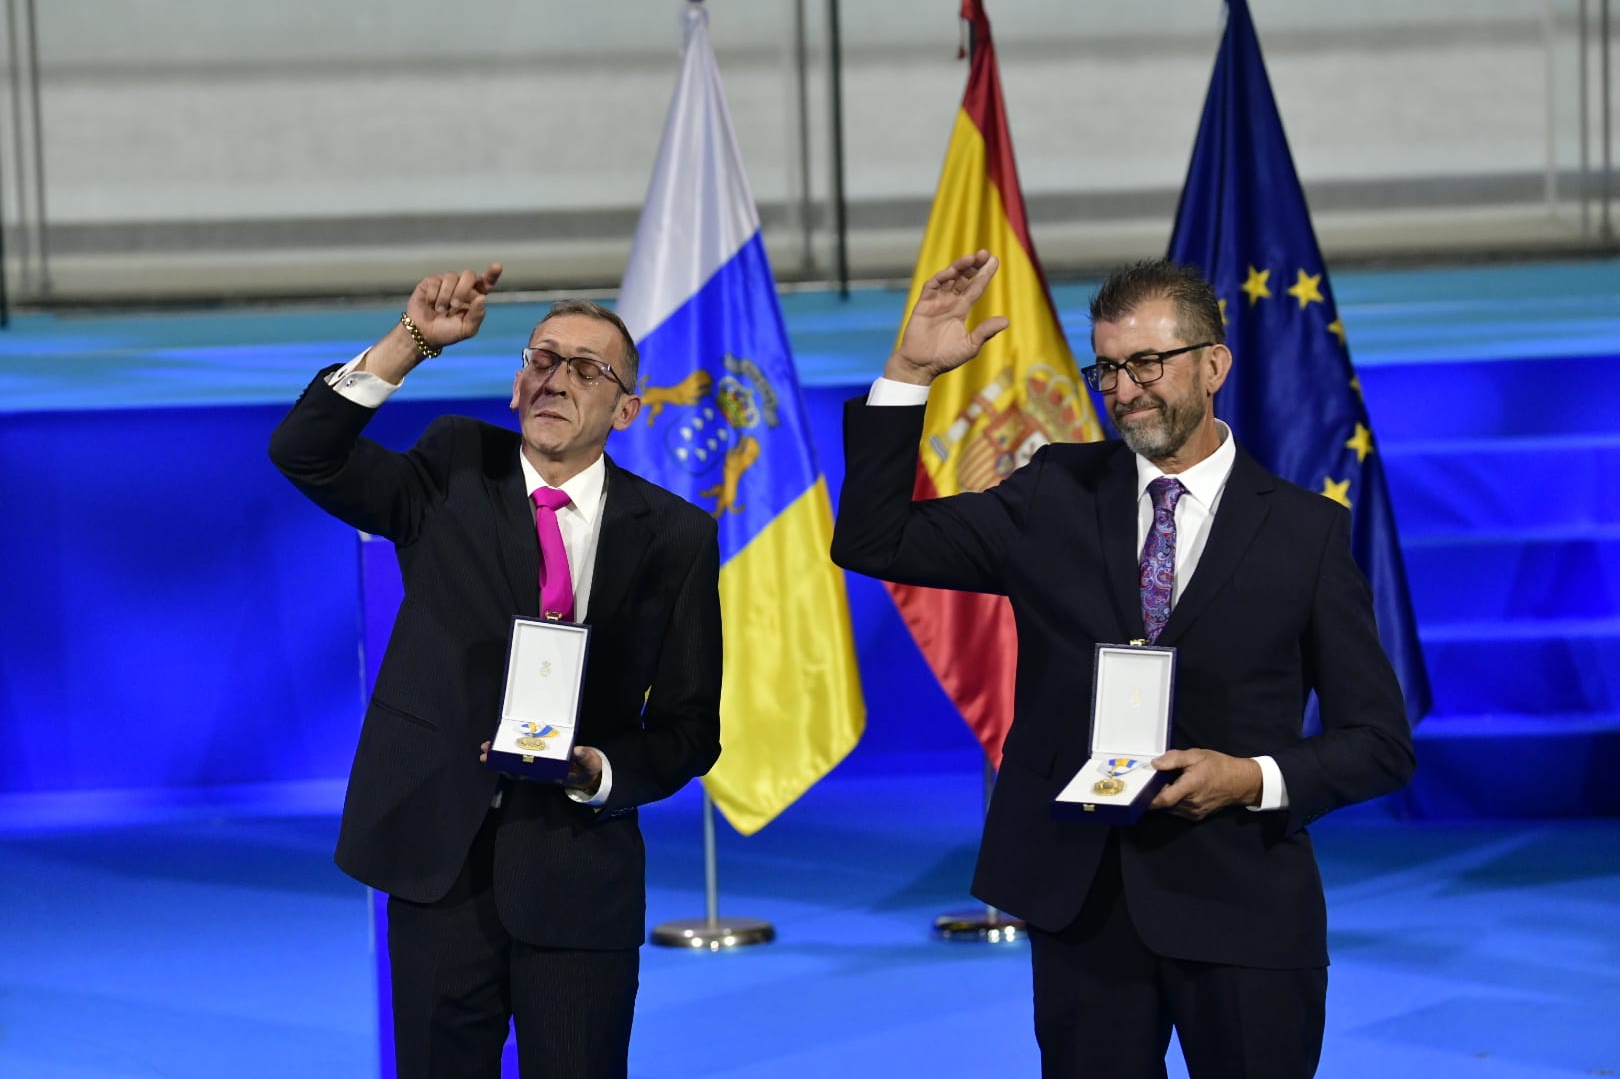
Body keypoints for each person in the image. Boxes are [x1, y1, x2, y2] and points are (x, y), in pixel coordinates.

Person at [830, 250, 1415, 1079]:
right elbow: (871, 540)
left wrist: (1250, 777)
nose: (1123, 388)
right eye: (1107, 367)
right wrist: (908, 375)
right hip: (1083, 905)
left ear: (1214, 365)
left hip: (1240, 907)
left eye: (1147, 362)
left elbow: (1380, 741)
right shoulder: (1052, 493)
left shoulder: (1304, 533)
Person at [269, 264, 722, 1078]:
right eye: (543, 359)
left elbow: (692, 727)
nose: (558, 378)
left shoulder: (677, 536)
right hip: (439, 861)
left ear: (626, 411)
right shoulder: (450, 467)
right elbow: (304, 452)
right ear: (517, 386)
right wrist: (408, 344)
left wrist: (600, 770)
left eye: (588, 369)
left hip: (579, 873)